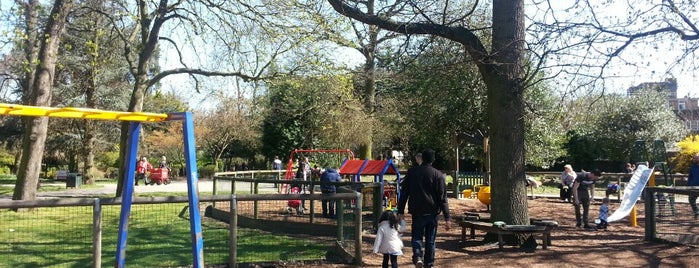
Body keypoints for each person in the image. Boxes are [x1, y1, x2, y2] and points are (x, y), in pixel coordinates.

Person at [397, 149, 451, 268]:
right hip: (432, 212)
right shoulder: (438, 175)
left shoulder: (412, 172)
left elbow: (404, 192)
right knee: (430, 240)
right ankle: (429, 263)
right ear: (433, 160)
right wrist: (447, 217)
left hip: (417, 211)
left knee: (416, 236)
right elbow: (442, 198)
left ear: (422, 158)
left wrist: (400, 210)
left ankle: (417, 256)